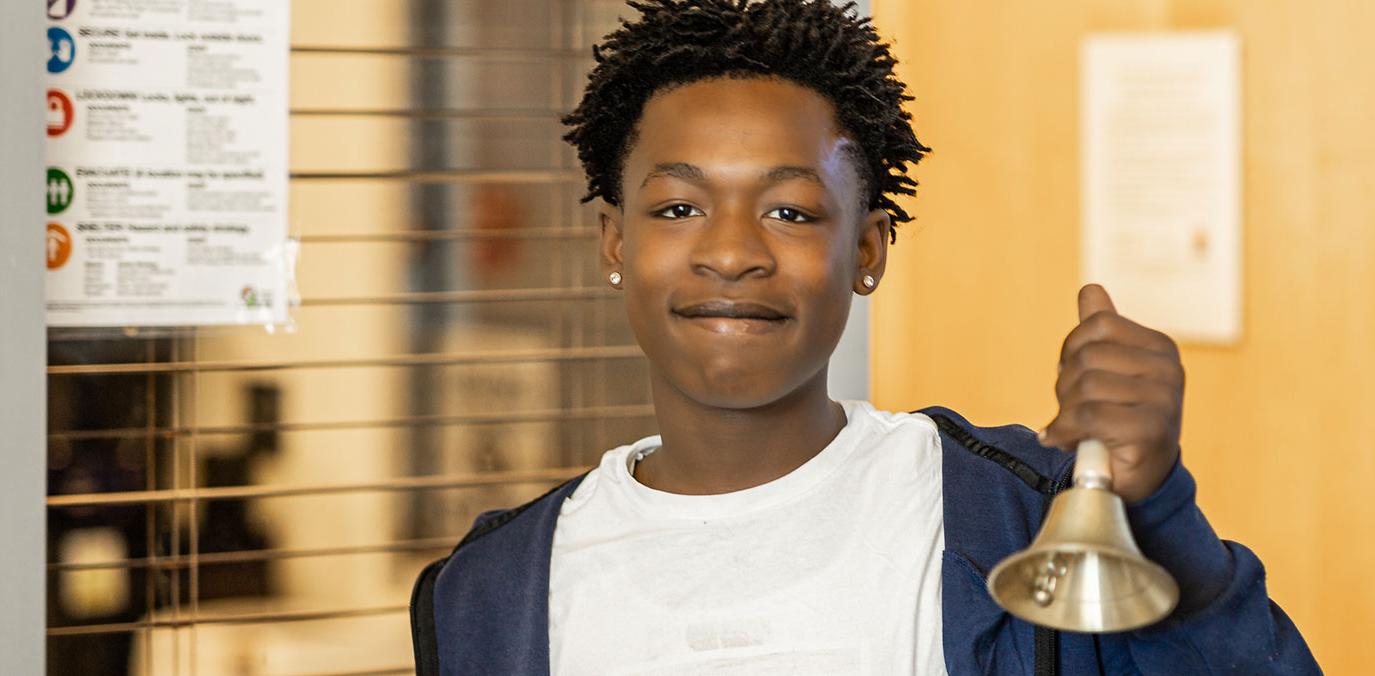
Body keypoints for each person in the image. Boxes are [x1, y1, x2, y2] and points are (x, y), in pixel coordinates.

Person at [410, 1, 1320, 673]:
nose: (731, 251)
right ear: (616, 242)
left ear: (868, 249)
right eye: (680, 206)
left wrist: (1155, 509)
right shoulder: (486, 595)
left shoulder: (1018, 517)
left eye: (792, 210)